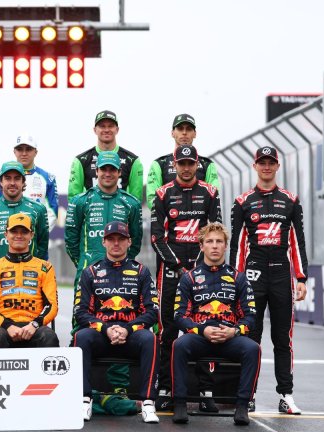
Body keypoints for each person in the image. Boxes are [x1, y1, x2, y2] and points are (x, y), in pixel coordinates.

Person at [230, 146, 307, 414]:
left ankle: (286, 395)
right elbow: (237, 245)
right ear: (255, 166)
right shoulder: (242, 201)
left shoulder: (291, 200)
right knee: (251, 336)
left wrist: (301, 277)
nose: (266, 167)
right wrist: (235, 278)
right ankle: (247, 394)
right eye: (261, 162)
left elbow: (297, 242)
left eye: (270, 162)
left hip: (282, 275)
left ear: (277, 166)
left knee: (282, 338)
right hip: (253, 274)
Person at [150, 144, 221, 412]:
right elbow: (156, 237)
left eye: (191, 164)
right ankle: (166, 388)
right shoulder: (163, 194)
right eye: (182, 163)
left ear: (197, 165)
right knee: (167, 329)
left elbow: (214, 232)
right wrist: (178, 265)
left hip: (203, 269)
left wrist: (198, 265)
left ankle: (206, 391)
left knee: (206, 325)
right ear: (175, 165)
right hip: (171, 270)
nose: (187, 168)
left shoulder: (210, 192)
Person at [172, 222, 259, 426]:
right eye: (209, 241)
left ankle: (242, 406)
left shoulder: (238, 278)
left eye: (219, 241)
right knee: (179, 345)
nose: (214, 246)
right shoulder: (188, 278)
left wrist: (234, 331)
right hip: (200, 336)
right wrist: (202, 330)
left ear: (225, 246)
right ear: (201, 246)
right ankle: (180, 404)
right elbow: (179, 316)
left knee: (253, 348)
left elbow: (251, 316)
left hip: (229, 337)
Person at [73, 221, 159, 423]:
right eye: (111, 239)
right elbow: (80, 312)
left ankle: (148, 402)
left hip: (131, 335)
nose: (116, 243)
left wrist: (128, 329)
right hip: (102, 335)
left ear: (129, 242)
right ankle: (84, 399)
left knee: (150, 339)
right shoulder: (90, 272)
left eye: (121, 239)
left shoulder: (142, 272)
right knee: (81, 336)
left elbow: (152, 311)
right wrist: (106, 329)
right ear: (103, 242)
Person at [65, 151, 142, 291]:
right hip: (87, 271)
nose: (107, 173)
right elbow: (71, 240)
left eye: (112, 169)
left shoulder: (132, 203)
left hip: (122, 274)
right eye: (103, 169)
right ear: (96, 171)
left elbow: (135, 241)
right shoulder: (80, 201)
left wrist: (123, 263)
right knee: (83, 306)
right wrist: (84, 262)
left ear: (119, 172)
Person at [0, 213, 59, 349]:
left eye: (24, 232)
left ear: (31, 235)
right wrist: (7, 325)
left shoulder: (45, 268)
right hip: (4, 327)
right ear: (6, 234)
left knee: (49, 336)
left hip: (34, 327)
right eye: (14, 231)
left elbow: (52, 305)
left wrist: (34, 325)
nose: (19, 235)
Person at [0, 161, 49, 265]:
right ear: (1, 182)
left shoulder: (38, 209)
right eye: (8, 178)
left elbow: (43, 245)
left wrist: (32, 266)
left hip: (30, 273)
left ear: (23, 182)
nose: (12, 183)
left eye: (17, 178)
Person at [145, 113, 220, 211]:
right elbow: (152, 199)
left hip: (200, 219)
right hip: (170, 219)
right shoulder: (159, 164)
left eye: (189, 129)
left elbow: (214, 197)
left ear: (195, 134)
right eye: (180, 129)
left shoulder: (207, 164)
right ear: (172, 133)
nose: (184, 133)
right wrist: (174, 216)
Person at [68, 110, 143, 200]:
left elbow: (136, 200)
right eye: (102, 126)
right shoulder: (81, 160)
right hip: (90, 209)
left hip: (121, 208)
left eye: (110, 126)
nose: (106, 130)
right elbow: (74, 200)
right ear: (95, 130)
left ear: (117, 130)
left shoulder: (132, 160)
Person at [0, 135, 58, 231]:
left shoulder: (48, 178)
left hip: (35, 234)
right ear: (14, 151)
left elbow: (53, 211)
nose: (24, 153)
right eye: (20, 149)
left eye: (28, 149)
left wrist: (36, 233)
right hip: (7, 234)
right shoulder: (0, 178)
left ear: (35, 152)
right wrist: (7, 233)